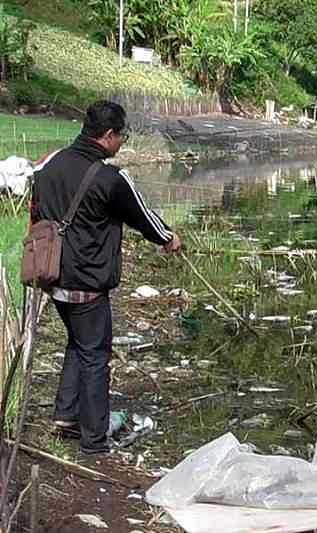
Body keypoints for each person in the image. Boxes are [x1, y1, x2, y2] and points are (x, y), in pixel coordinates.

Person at [30, 101, 181, 454]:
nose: (123, 142)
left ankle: (65, 416)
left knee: (78, 343)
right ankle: (95, 442)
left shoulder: (49, 164)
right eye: (121, 136)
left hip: (52, 274)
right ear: (108, 135)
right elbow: (144, 217)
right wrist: (169, 238)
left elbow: (36, 211)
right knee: (95, 356)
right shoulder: (110, 178)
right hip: (87, 283)